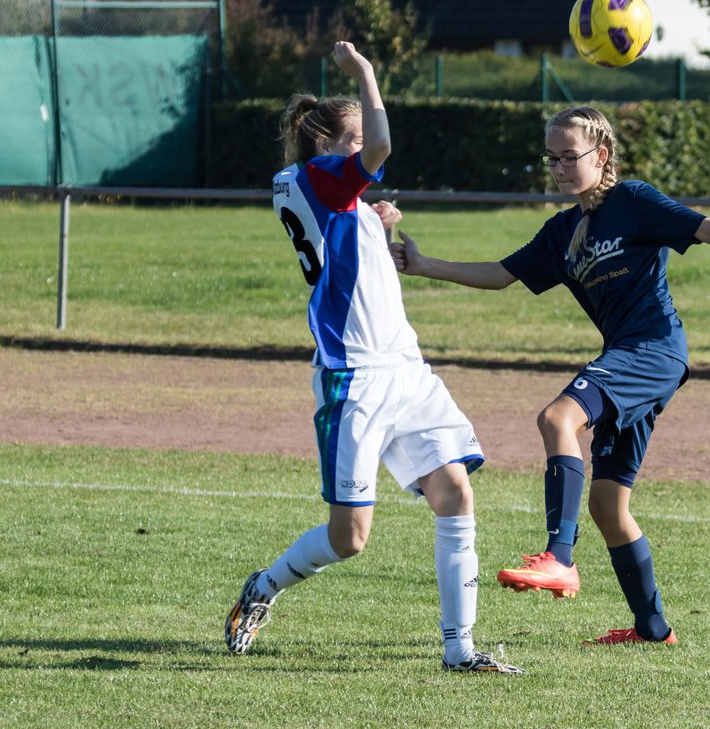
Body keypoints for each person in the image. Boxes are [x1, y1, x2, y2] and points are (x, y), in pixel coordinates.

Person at [390, 106, 710, 645]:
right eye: (551, 158)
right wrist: (425, 264)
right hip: (629, 354)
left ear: (602, 155)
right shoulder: (563, 231)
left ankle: (559, 558)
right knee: (608, 505)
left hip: (655, 351)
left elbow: (704, 228)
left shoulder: (634, 201)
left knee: (557, 418)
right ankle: (652, 628)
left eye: (570, 156)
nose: (559, 168)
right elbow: (502, 274)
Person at [224, 41, 523, 674]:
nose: (365, 149)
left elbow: (354, 249)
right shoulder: (316, 180)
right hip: (353, 380)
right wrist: (365, 72)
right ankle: (264, 586)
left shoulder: (335, 193)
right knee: (349, 539)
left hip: (407, 372)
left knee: (455, 494)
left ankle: (459, 650)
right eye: (353, 136)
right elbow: (380, 151)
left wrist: (377, 222)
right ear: (327, 146)